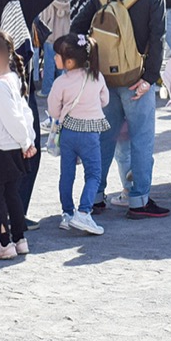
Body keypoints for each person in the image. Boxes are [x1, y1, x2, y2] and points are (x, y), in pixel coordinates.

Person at [70, 0, 169, 220]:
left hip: (103, 79)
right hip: (136, 79)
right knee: (141, 139)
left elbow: (77, 27)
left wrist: (90, 67)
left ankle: (96, 195)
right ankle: (138, 199)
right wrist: (150, 78)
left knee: (104, 137)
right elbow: (157, 40)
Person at [0, 0, 65, 215]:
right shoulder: (21, 7)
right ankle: (17, 212)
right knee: (28, 151)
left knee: (1, 149)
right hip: (19, 88)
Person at [0, 31, 37, 259]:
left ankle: (4, 243)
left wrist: (25, 141)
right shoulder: (11, 80)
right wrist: (26, 140)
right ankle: (19, 239)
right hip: (11, 147)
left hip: (3, 149)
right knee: (12, 195)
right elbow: (24, 113)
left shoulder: (1, 86)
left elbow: (14, 117)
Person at [47, 34, 108, 236]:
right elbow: (105, 100)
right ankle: (83, 211)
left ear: (70, 61)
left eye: (58, 55)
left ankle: (67, 213)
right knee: (93, 174)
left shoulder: (60, 82)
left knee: (67, 174)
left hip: (68, 132)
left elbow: (54, 112)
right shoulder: (97, 77)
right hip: (90, 132)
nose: (54, 58)